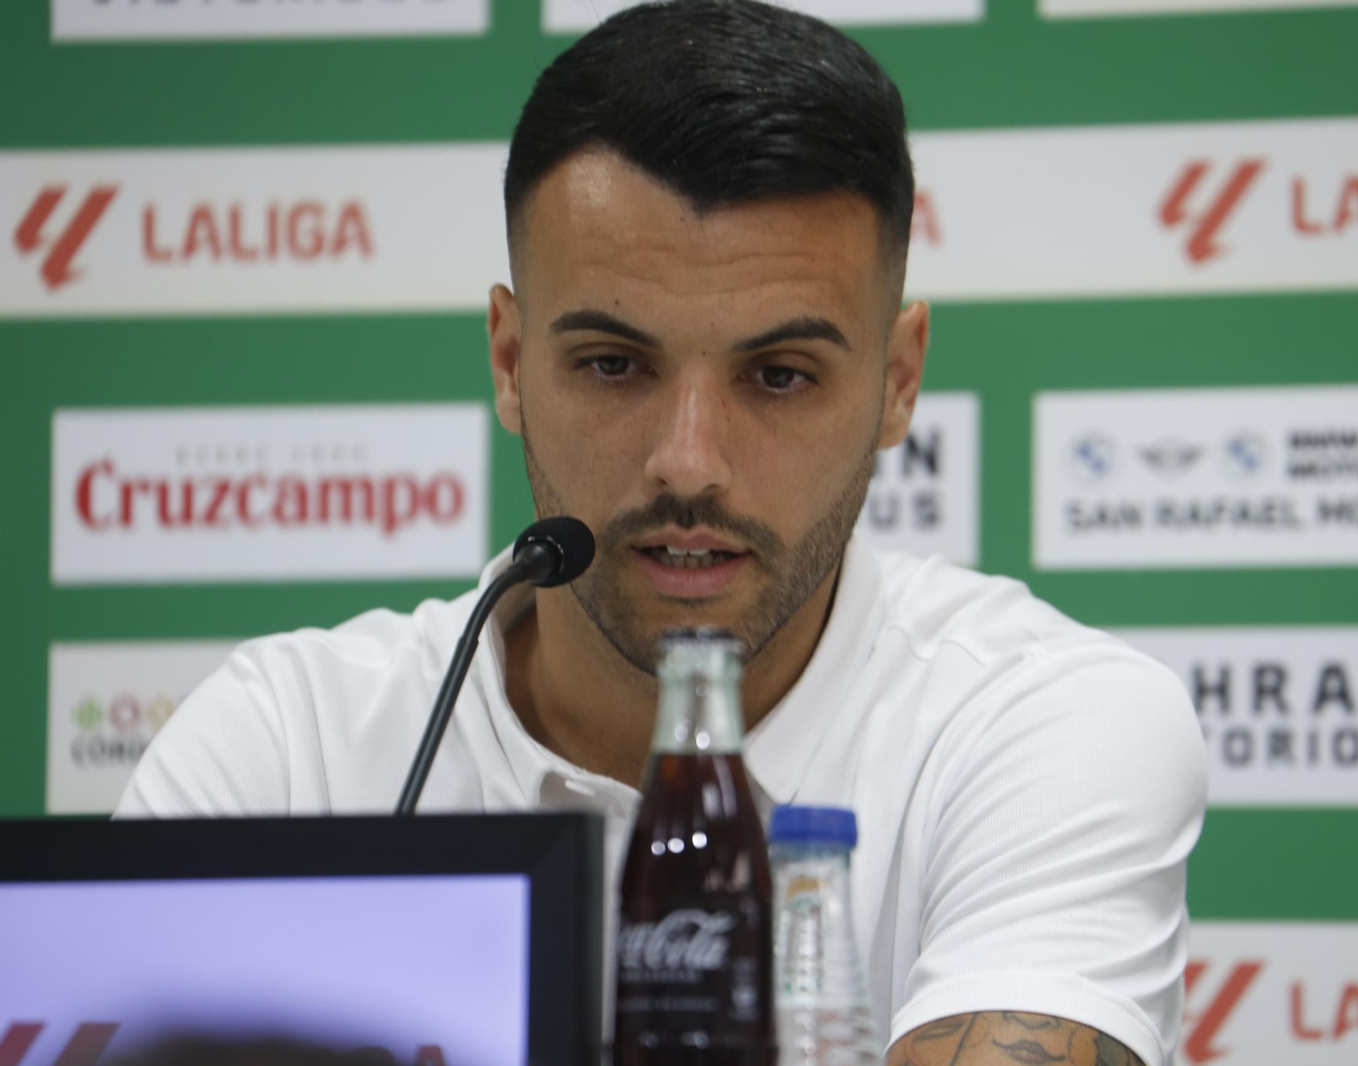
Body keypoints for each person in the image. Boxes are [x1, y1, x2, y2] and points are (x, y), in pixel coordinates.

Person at [116, 3, 1206, 1064]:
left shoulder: (1038, 721)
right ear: (507, 361)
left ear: (897, 380)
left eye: (779, 375)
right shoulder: (282, 749)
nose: (688, 461)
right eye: (612, 364)